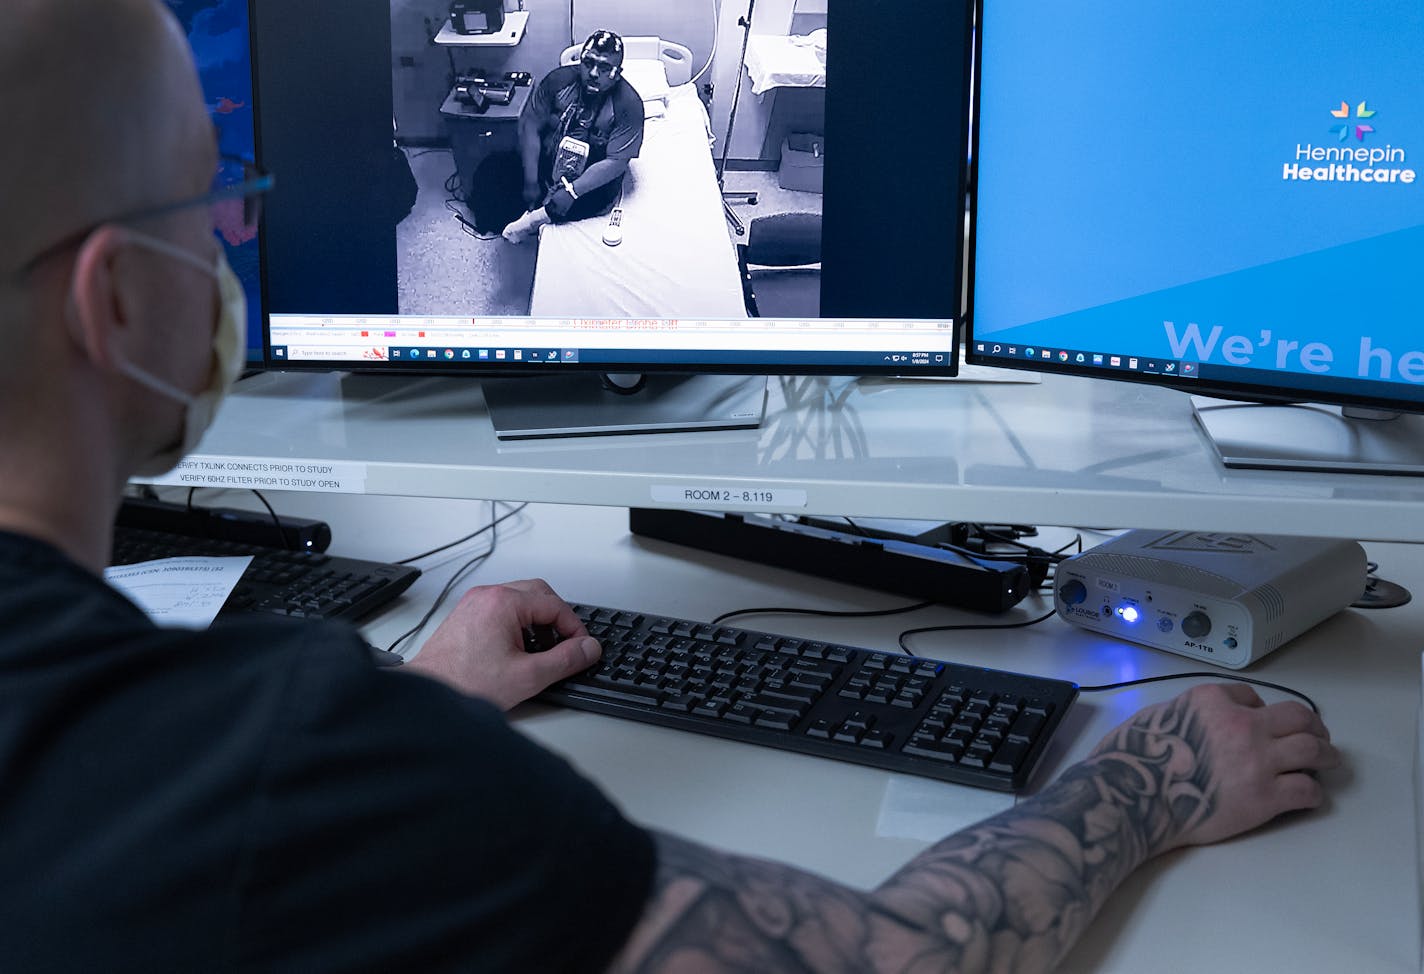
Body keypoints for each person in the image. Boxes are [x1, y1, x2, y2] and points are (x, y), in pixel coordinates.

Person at [0, 2, 1340, 971]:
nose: (240, 233)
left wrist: (416, 701)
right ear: (115, 296)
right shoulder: (263, 763)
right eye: (214, 195)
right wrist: (1150, 781)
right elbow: (882, 956)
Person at [502, 30, 645, 244]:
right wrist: (531, 180)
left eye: (605, 67)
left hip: (589, 183)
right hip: (547, 165)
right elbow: (530, 125)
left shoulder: (629, 105)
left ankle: (534, 220)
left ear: (618, 72)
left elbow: (616, 162)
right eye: (588, 63)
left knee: (571, 211)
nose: (594, 73)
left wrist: (572, 192)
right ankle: (536, 205)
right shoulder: (557, 80)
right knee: (494, 180)